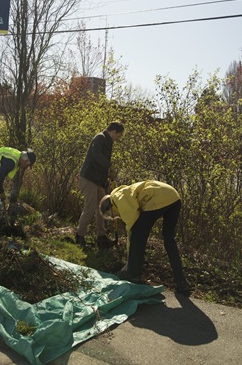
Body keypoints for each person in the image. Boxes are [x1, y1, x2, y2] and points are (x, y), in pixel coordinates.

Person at [99, 180, 190, 294]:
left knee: (137, 234)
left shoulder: (118, 198)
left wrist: (129, 260)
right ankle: (181, 282)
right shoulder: (124, 192)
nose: (114, 217)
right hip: (174, 197)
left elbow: (132, 228)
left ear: (110, 207)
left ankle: (132, 274)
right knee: (169, 239)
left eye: (110, 215)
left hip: (157, 199)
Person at [76, 121, 124, 249]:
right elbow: (96, 156)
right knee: (90, 207)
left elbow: (103, 162)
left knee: (103, 209)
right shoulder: (99, 138)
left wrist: (107, 178)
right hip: (88, 178)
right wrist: (110, 166)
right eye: (118, 135)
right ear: (114, 132)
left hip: (99, 181)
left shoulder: (109, 142)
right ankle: (79, 235)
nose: (118, 139)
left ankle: (101, 237)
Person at [0, 146, 36, 231]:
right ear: (25, 160)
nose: (25, 167)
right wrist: (2, 193)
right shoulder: (11, 161)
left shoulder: (16, 156)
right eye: (27, 165)